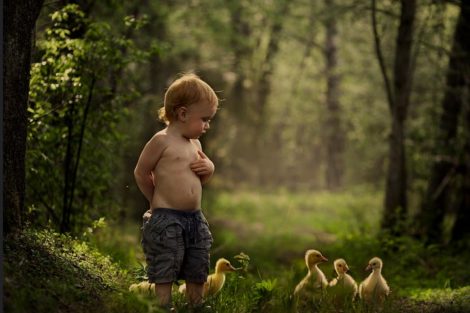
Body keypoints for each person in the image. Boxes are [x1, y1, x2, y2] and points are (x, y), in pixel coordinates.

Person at [134, 73, 218, 310]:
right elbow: (141, 172)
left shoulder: (196, 145)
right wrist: (154, 200)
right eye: (204, 119)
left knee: (198, 259)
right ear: (182, 114)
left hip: (195, 217)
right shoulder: (161, 141)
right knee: (166, 260)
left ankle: (196, 303)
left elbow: (199, 180)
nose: (207, 125)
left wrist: (209, 168)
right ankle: (164, 304)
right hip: (166, 218)